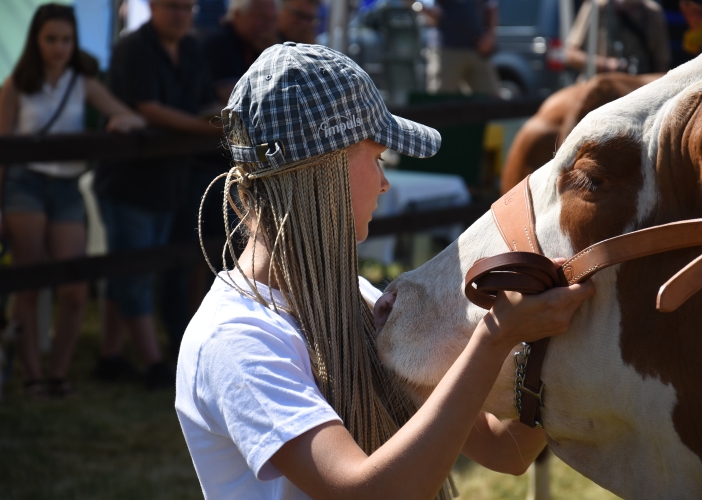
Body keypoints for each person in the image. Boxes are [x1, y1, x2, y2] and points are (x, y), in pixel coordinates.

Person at [175, 42, 595, 499]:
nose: (384, 180)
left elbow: (507, 450)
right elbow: (367, 492)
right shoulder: (236, 339)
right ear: (326, 171)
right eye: (376, 157)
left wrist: (548, 332)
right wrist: (494, 337)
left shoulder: (356, 298)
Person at [0, 3, 146, 399]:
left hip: (65, 188)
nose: (59, 47)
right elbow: (2, 148)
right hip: (22, 186)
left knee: (74, 290)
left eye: (66, 39)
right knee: (28, 286)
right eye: (51, 39)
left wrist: (118, 122)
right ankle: (32, 376)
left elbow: (129, 116)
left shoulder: (83, 82)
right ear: (37, 41)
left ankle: (59, 374)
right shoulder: (15, 85)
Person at [92, 0, 219, 388]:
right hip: (130, 180)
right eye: (172, 6)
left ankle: (110, 356)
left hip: (169, 179)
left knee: (131, 271)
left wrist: (220, 109)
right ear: (152, 7)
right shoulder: (133, 48)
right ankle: (155, 364)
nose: (180, 14)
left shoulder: (191, 48)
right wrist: (211, 129)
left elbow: (202, 101)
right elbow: (150, 111)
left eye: (187, 7)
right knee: (135, 274)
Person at [202, 0, 278, 104]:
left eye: (273, 19)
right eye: (262, 17)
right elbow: (236, 99)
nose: (268, 26)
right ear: (237, 14)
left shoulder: (256, 44)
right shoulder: (220, 43)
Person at [566, 0, 670, 76]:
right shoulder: (597, 6)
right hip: (599, 84)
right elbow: (570, 54)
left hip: (637, 89)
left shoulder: (653, 12)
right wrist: (605, 65)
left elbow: (661, 64)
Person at [424, 0, 500, 95]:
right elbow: (428, 10)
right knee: (440, 98)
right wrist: (422, 9)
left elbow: (491, 7)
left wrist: (490, 36)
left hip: (477, 48)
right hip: (446, 49)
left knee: (492, 98)